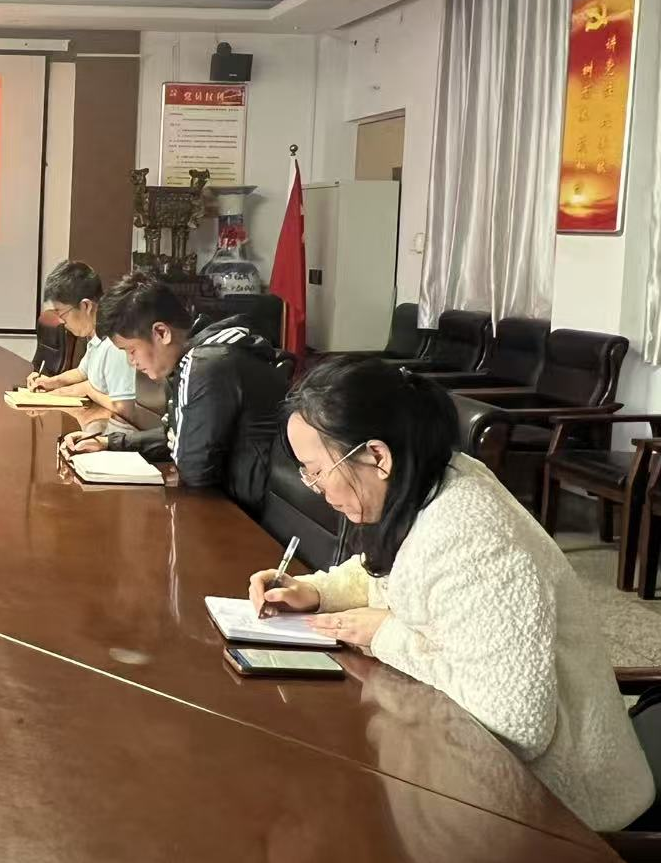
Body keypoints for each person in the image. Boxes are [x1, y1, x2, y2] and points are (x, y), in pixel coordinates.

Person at [248, 356, 653, 832]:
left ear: (377, 456)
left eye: (317, 470)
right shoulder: (425, 482)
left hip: (565, 813)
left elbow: (516, 722)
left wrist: (387, 635)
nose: (314, 487)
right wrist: (315, 590)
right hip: (468, 774)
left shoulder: (476, 537)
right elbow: (392, 573)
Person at [66, 272, 286, 513]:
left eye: (131, 350)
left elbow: (192, 470)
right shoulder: (196, 355)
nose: (131, 361)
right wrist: (108, 442)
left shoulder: (205, 364)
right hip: (234, 504)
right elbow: (178, 434)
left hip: (249, 518)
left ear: (161, 332)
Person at [26, 260, 139, 423]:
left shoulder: (115, 345)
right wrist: (50, 382)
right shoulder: (95, 336)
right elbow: (82, 372)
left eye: (61, 313)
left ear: (86, 306)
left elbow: (125, 409)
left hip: (113, 430)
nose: (62, 321)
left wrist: (88, 390)